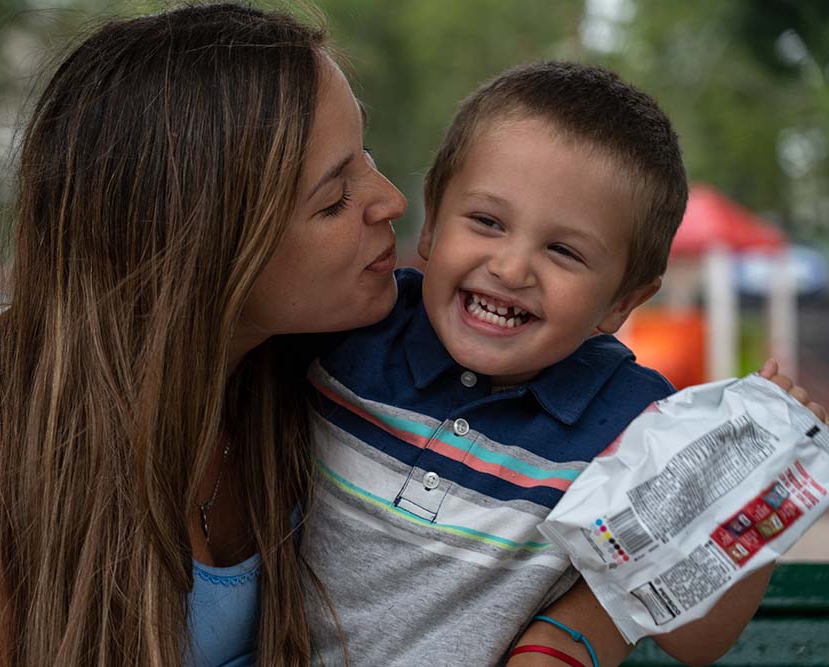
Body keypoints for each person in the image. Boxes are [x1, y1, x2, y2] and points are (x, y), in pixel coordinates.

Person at [0, 5, 408, 666]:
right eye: (334, 197)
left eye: (368, 156)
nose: (391, 200)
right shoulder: (3, 450)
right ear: (204, 249)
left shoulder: (337, 374)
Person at [300, 61, 828, 666]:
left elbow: (694, 640)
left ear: (622, 302)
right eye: (487, 222)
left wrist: (754, 493)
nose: (512, 267)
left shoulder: (634, 425)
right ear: (433, 222)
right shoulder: (350, 335)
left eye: (563, 251)